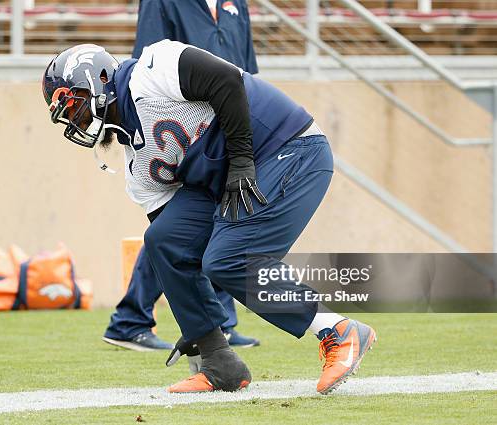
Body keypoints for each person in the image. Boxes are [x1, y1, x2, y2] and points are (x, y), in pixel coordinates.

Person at [41, 40, 377, 395]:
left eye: (74, 104)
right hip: (230, 180)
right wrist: (198, 322)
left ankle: (336, 329)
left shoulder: (153, 69)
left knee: (228, 259)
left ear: (99, 78)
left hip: (289, 148)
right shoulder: (137, 168)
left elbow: (226, 80)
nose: (75, 119)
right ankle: (219, 364)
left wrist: (243, 159)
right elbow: (183, 252)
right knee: (164, 240)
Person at [103, 0, 260, 352]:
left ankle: (220, 323)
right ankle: (132, 319)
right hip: (182, 125)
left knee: (206, 224)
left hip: (226, 126)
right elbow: (149, 60)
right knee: (172, 232)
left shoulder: (236, 4)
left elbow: (246, 71)